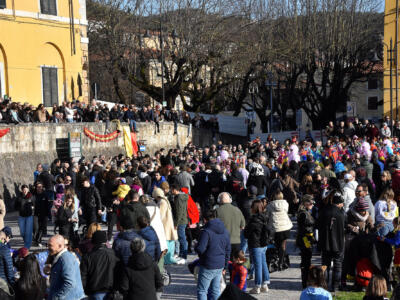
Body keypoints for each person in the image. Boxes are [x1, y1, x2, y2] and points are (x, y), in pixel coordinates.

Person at [195, 210, 231, 300]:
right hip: (220, 265)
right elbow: (228, 250)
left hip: (208, 264)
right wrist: (225, 266)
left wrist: (196, 245)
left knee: (202, 290)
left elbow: (200, 249)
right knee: (216, 290)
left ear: (204, 220)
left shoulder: (206, 232)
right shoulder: (225, 231)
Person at [318, 193, 345, 292]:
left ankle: (324, 286)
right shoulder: (341, 213)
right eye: (342, 203)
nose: (343, 205)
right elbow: (345, 226)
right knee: (338, 266)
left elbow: (317, 225)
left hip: (326, 243)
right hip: (338, 244)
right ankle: (335, 286)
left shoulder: (324, 211)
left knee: (325, 265)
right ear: (338, 203)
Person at [80, 231, 119, 300]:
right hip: (110, 291)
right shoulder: (113, 254)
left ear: (93, 242)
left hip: (94, 291)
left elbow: (83, 276)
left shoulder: (88, 256)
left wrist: (84, 291)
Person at [244, 200, 271, 294]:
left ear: (253, 208)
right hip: (264, 244)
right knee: (263, 263)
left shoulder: (253, 220)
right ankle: (265, 284)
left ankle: (257, 286)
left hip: (255, 245)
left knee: (258, 265)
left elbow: (246, 234)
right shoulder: (265, 218)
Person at [47, 234, 85, 300]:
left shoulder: (66, 259)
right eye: (47, 245)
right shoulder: (59, 257)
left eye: (50, 245)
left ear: (60, 246)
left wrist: (57, 297)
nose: (48, 247)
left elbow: (69, 283)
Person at [267, 191, 293, 271]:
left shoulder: (270, 205)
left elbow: (268, 215)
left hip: (276, 227)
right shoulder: (286, 204)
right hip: (285, 227)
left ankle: (278, 261)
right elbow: (286, 211)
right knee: (283, 245)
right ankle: (281, 263)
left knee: (277, 245)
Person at [152, 187, 179, 265]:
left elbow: (161, 215)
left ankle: (167, 259)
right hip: (167, 224)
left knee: (167, 242)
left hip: (165, 225)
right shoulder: (164, 200)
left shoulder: (162, 202)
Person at [216, 192, 245, 258]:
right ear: (230, 200)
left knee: (224, 264)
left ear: (219, 200)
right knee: (234, 265)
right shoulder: (238, 210)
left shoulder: (217, 211)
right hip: (236, 242)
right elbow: (242, 226)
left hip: (222, 242)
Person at [297, 195, 316, 289]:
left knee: (307, 260)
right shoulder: (303, 214)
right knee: (306, 261)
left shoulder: (306, 212)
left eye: (313, 202)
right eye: (310, 202)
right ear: (304, 203)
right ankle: (305, 283)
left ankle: (306, 282)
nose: (312, 204)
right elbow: (305, 229)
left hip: (306, 239)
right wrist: (311, 237)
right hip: (305, 240)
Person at [170, 184, 189, 261]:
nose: (171, 191)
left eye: (172, 189)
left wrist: (176, 223)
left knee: (182, 238)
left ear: (175, 189)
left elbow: (179, 212)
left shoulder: (178, 198)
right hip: (183, 219)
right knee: (182, 238)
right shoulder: (182, 197)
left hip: (180, 221)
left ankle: (183, 255)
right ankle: (182, 254)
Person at [15, 185, 34, 249]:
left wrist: (33, 208)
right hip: (21, 217)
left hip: (29, 216)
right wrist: (19, 208)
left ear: (28, 190)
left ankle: (27, 246)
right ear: (22, 190)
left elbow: (35, 205)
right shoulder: (19, 197)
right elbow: (15, 206)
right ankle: (26, 241)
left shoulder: (31, 197)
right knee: (22, 232)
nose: (25, 191)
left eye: (26, 189)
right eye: (24, 190)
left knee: (28, 231)